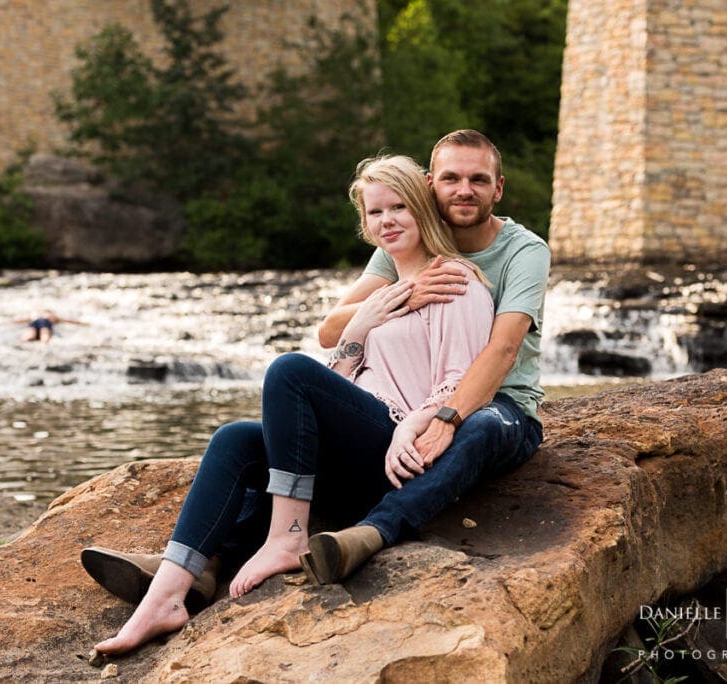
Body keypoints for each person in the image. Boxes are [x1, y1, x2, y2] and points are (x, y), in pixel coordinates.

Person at [81, 154, 495, 655]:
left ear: (423, 209)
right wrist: (362, 324)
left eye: (399, 208)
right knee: (234, 439)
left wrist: (414, 425)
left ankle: (288, 536)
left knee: (289, 370)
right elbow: (342, 376)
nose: (387, 221)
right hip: (358, 442)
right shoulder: (385, 293)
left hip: (397, 450)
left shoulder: (455, 281)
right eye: (374, 213)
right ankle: (166, 595)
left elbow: (458, 382)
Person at [315, 128, 550, 579]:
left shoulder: (525, 250)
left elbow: (503, 350)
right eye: (451, 179)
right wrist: (406, 292)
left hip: (500, 406)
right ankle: (203, 557)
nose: (465, 190)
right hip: (411, 402)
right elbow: (329, 331)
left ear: (498, 188)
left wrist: (448, 418)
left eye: (479, 180)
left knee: (478, 427)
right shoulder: (407, 239)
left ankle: (372, 533)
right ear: (429, 184)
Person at [13, 310, 86, 343]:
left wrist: (10, 322)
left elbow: (21, 320)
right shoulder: (50, 316)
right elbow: (68, 320)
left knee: (29, 335)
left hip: (33, 323)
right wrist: (81, 323)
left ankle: (23, 342)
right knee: (44, 335)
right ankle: (44, 344)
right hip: (45, 323)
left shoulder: (35, 315)